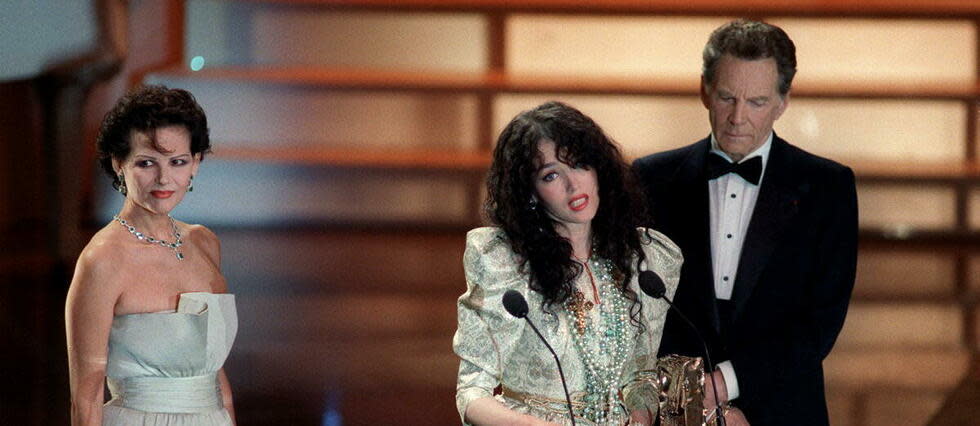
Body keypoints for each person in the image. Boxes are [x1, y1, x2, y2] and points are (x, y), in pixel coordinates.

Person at [633, 20, 858, 425]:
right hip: (677, 408)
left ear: (783, 101)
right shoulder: (651, 179)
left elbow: (819, 325)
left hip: (785, 407)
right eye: (726, 97)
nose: (737, 117)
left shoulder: (829, 187)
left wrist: (722, 385)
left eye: (756, 101)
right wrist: (690, 397)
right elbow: (640, 306)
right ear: (704, 90)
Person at [453, 101, 683, 425]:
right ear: (530, 193)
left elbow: (640, 377)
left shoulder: (638, 259)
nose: (573, 185)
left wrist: (641, 414)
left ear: (599, 168)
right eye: (551, 175)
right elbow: (471, 393)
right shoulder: (507, 265)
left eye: (579, 165)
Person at [65, 85, 237, 426]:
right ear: (119, 164)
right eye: (146, 162)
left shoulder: (204, 243)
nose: (163, 178)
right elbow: (86, 395)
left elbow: (216, 374)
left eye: (178, 162)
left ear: (196, 164)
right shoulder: (103, 259)